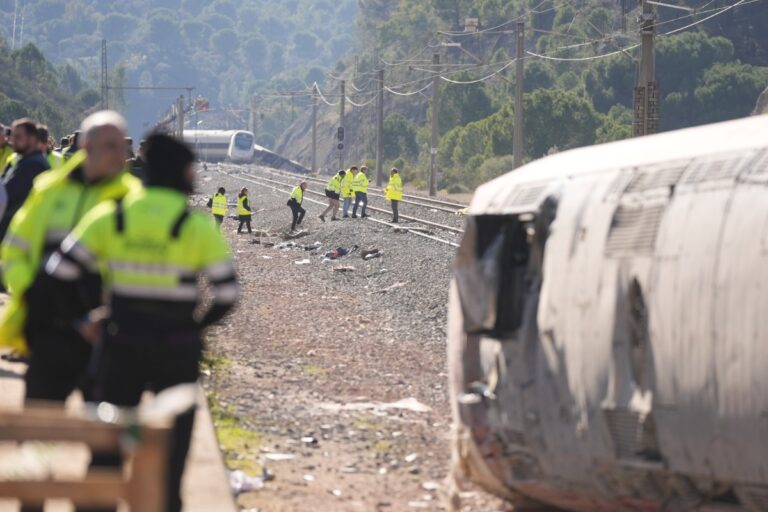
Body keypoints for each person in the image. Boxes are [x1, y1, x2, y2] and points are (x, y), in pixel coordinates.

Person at [45, 132, 239, 512]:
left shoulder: (113, 216)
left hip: (120, 344)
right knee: (172, 454)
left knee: (106, 448)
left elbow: (58, 272)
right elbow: (227, 294)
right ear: (183, 172)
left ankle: (96, 505)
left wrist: (84, 319)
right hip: (177, 352)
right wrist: (195, 327)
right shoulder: (194, 226)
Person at [0, 110, 141, 407]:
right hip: (48, 325)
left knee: (107, 435)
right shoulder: (49, 189)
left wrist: (110, 313)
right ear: (87, 146)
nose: (123, 154)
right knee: (39, 421)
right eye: (112, 146)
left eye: (124, 146)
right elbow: (15, 248)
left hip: (106, 330)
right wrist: (29, 292)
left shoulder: (133, 199)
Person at [0, 118, 50, 241]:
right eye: (12, 136)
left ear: (32, 139)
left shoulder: (34, 165)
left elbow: (9, 194)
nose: (12, 140)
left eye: (18, 137)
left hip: (19, 234)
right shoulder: (22, 161)